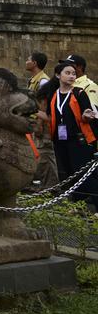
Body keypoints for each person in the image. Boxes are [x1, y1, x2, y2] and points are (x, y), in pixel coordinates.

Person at [38, 61, 98, 208]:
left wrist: (87, 115)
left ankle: (96, 205)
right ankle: (78, 206)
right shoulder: (54, 95)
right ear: (58, 75)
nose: (71, 76)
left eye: (73, 74)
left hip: (78, 140)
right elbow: (51, 117)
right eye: (68, 73)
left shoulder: (79, 93)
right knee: (69, 174)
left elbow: (85, 115)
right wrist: (33, 112)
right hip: (60, 141)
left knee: (85, 174)